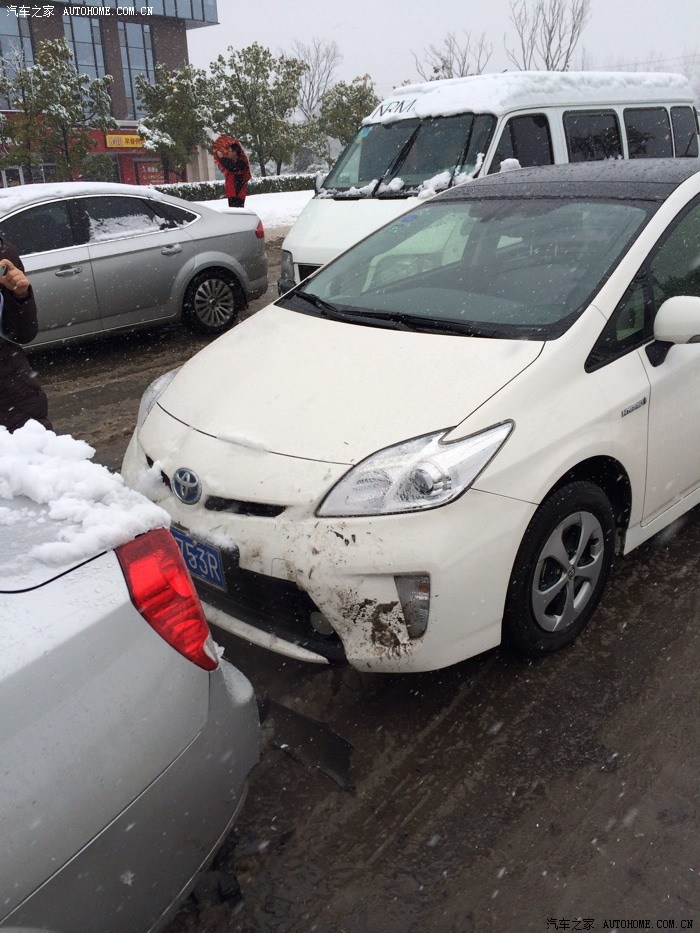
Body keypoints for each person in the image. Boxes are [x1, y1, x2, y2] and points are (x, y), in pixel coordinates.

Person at [0, 236, 51, 432]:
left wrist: (20, 295)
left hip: (12, 399)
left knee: (39, 458)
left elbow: (23, 333)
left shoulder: (5, 254)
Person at [213, 136, 252, 207]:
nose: (227, 153)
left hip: (237, 194)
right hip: (231, 193)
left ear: (235, 152)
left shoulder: (241, 162)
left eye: (229, 151)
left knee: (237, 214)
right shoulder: (232, 161)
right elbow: (227, 165)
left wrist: (222, 157)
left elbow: (231, 167)